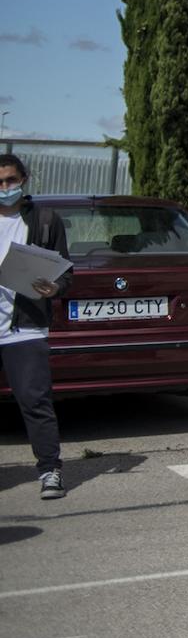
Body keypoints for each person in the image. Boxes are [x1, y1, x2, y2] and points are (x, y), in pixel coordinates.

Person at [0, 153, 70, 500]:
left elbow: (65, 274)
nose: (4, 188)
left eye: (10, 181)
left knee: (35, 401)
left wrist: (55, 288)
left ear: (24, 179)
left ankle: (50, 470)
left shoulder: (44, 221)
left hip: (25, 329)